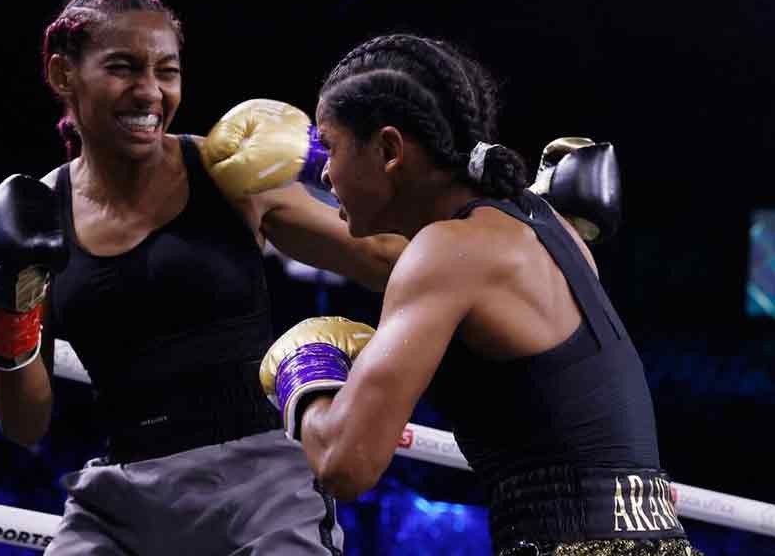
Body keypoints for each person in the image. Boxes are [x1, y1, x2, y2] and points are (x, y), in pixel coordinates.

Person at [0, 0, 616, 554]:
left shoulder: (226, 174)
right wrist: (7, 313)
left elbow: (384, 261)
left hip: (262, 485)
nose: (151, 91)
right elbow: (25, 426)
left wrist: (509, 222)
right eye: (123, 67)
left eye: (167, 70)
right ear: (62, 74)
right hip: (123, 498)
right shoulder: (30, 219)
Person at [259, 34, 703, 556]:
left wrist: (305, 368)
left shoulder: (447, 250)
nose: (326, 172)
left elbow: (343, 463)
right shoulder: (545, 226)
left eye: (330, 148)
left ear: (388, 151)